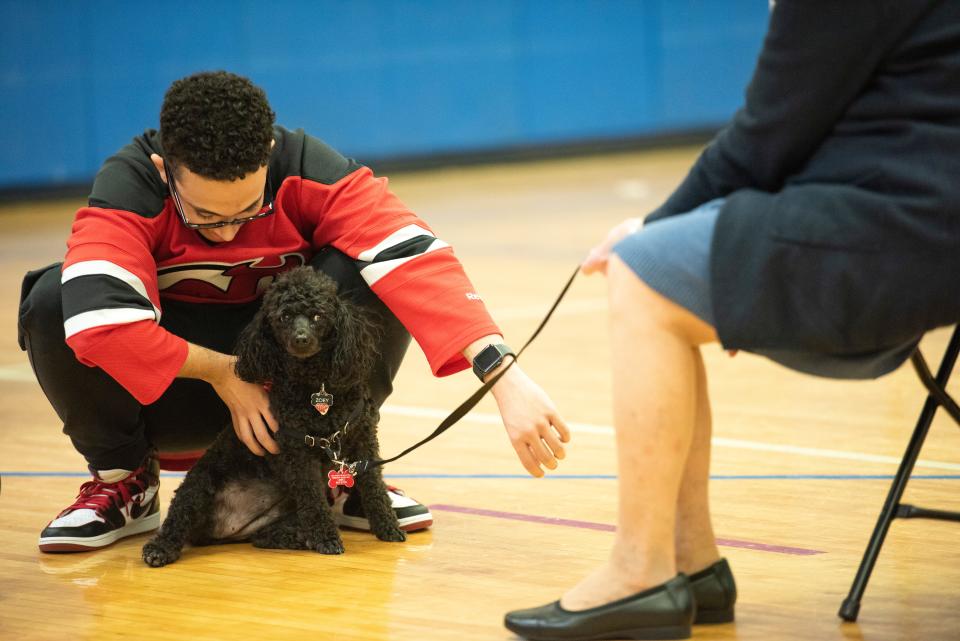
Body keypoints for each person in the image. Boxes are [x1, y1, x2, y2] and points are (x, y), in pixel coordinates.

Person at [504, 1, 960, 639]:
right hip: (926, 214)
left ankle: (642, 570)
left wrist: (653, 228)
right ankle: (692, 567)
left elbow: (768, 134)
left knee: (641, 272)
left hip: (910, 226)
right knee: (661, 266)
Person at [17, 70, 570, 553]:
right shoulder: (129, 186)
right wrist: (223, 373)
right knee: (55, 298)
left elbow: (413, 256)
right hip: (179, 392)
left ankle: (339, 470)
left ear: (269, 155)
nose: (230, 231)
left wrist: (504, 375)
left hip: (299, 395)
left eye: (248, 210)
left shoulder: (307, 165)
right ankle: (126, 480)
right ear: (166, 171)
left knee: (373, 270)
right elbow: (100, 327)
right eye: (207, 216)